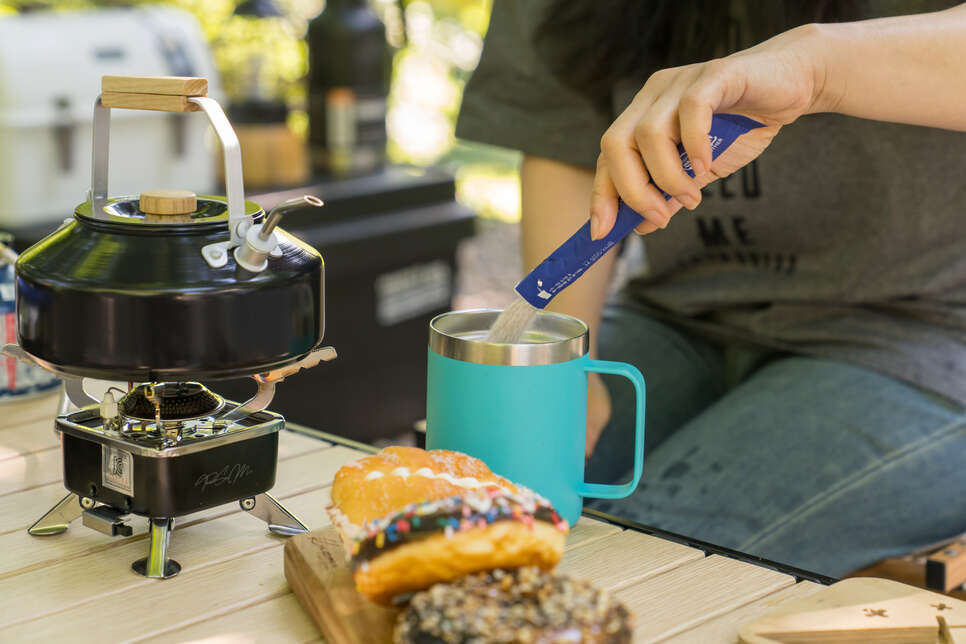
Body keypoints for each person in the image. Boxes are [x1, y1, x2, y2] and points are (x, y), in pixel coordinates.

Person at [456, 0, 966, 577]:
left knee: (634, 569)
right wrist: (576, 353)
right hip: (679, 313)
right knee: (479, 515)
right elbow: (561, 133)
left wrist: (817, 66)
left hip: (928, 332)